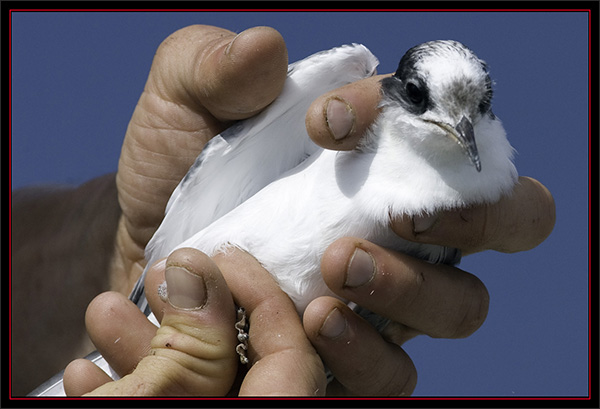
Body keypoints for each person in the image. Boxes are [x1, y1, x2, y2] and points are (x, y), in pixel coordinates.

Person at [11, 24, 556, 396]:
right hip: (175, 290)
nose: (458, 127)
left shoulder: (474, 194)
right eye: (420, 98)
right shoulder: (347, 103)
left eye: (473, 112)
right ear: (397, 91)